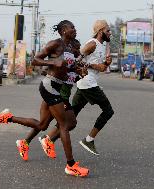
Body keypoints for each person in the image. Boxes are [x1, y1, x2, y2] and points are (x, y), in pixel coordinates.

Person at [0, 20, 89, 177]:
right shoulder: (55, 44)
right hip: (49, 86)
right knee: (64, 125)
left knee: (43, 124)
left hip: (57, 87)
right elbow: (35, 60)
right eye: (72, 27)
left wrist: (79, 71)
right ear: (64, 30)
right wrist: (53, 61)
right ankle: (71, 165)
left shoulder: (70, 47)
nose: (75, 30)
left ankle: (8, 118)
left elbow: (67, 67)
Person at [39, 20, 114, 157]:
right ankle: (89, 140)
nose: (110, 33)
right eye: (108, 30)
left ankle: (48, 139)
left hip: (84, 84)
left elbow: (100, 67)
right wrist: (94, 66)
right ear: (100, 31)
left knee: (70, 119)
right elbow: (76, 59)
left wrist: (105, 64)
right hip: (88, 84)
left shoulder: (101, 46)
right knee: (108, 111)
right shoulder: (92, 44)